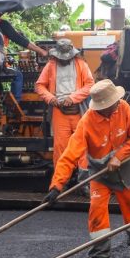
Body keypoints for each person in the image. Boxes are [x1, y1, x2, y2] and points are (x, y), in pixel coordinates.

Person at [42, 79, 130, 258]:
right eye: (112, 103)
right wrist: (56, 186)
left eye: (116, 101)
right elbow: (70, 155)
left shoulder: (123, 108)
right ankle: (99, 255)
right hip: (101, 173)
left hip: (127, 169)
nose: (116, 104)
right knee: (97, 211)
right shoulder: (87, 122)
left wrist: (118, 157)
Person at [35, 38, 95, 166]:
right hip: (59, 111)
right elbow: (39, 86)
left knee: (81, 144)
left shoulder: (81, 64)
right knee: (61, 147)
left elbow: (90, 84)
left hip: (79, 109)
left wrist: (73, 98)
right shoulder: (50, 65)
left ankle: (83, 179)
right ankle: (62, 181)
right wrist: (51, 99)